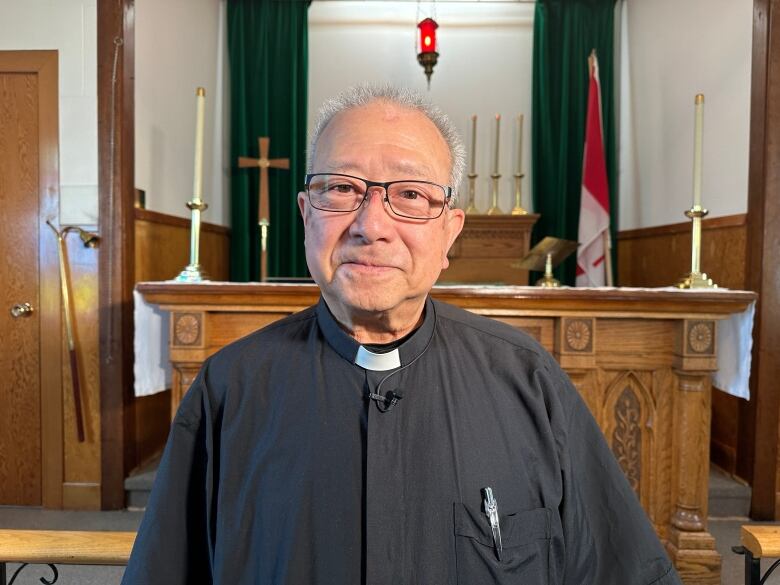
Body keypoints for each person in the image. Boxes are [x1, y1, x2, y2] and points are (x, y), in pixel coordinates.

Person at [123, 84, 681, 585]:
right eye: (341, 188)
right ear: (305, 215)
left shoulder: (527, 380)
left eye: (411, 195)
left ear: (449, 233)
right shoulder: (231, 387)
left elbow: (624, 570)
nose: (371, 225)